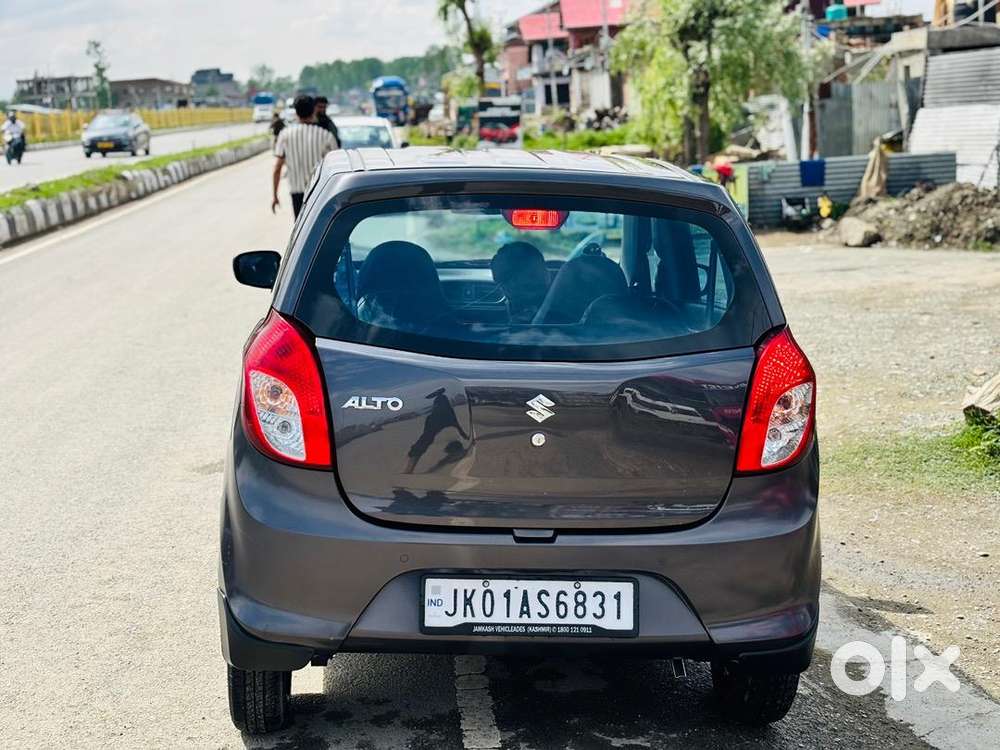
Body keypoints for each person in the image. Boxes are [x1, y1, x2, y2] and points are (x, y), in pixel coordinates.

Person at [271, 95, 338, 219]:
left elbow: (277, 168)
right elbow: (337, 167)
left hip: (296, 193)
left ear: (296, 113)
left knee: (301, 227)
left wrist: (275, 195)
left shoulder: (285, 135)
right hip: (320, 193)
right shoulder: (326, 136)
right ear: (313, 111)